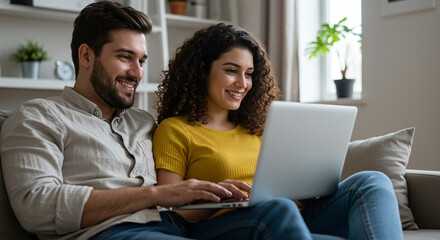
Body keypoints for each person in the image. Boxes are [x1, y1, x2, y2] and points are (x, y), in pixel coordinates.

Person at [0, 2, 311, 240]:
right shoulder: (37, 117)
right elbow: (36, 206)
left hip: (177, 228)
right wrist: (157, 194)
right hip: (111, 232)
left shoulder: (146, 122)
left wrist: (211, 191)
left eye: (142, 61)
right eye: (125, 57)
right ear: (86, 56)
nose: (137, 72)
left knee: (277, 212)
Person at [153, 23, 404, 239]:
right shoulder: (175, 129)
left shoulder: (259, 129)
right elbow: (172, 208)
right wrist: (221, 196)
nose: (243, 83)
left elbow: (287, 186)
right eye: (231, 71)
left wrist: (307, 189)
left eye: (249, 74)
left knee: (372, 181)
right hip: (225, 225)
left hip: (291, 215)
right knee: (279, 207)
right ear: (202, 71)